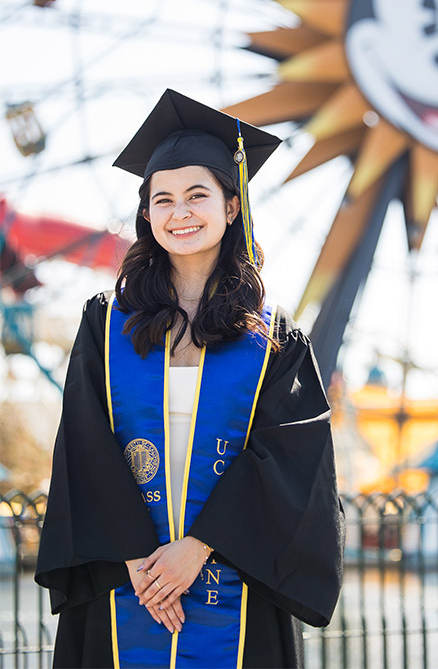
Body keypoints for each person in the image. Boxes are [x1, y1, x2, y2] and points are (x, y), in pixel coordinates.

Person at [35, 89, 345, 668]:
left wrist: (197, 549)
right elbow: (84, 443)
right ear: (146, 214)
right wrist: (135, 557)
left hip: (234, 577)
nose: (180, 213)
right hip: (124, 576)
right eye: (163, 199)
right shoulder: (106, 322)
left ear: (232, 207)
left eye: (197, 196)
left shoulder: (273, 335)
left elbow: (291, 459)